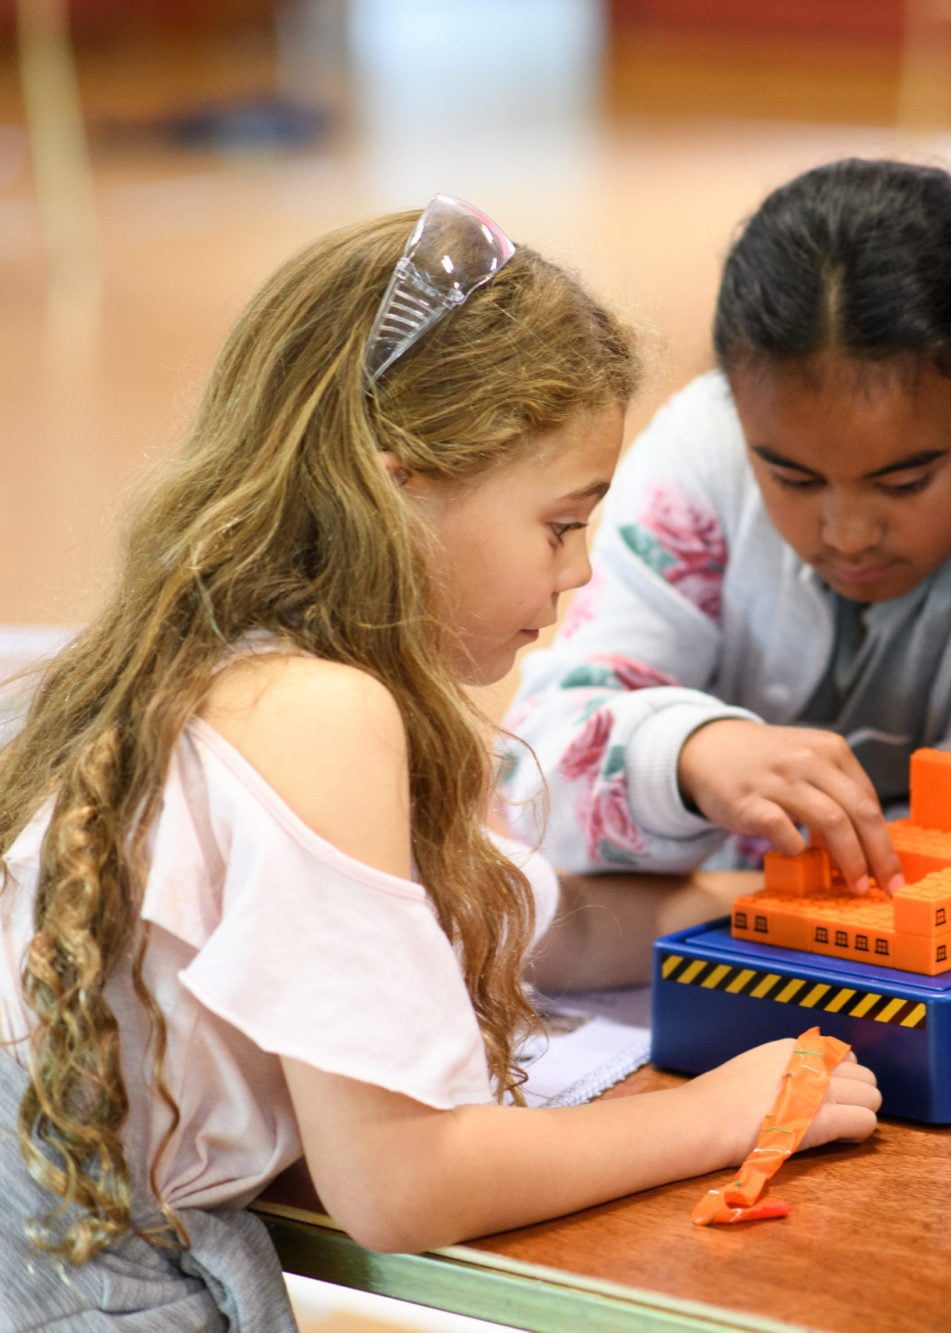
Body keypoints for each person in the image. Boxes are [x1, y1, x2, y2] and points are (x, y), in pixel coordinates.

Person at [0, 199, 879, 1326]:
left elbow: (533, 920)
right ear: (398, 484)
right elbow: (400, 1186)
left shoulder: (232, 661)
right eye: (561, 524)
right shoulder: (319, 715)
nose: (575, 576)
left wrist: (773, 907)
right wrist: (725, 1113)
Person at [503, 159, 951, 891]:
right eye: (793, 479)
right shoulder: (700, 456)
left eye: (905, 481)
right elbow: (533, 780)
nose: (850, 532)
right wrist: (691, 754)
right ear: (734, 401)